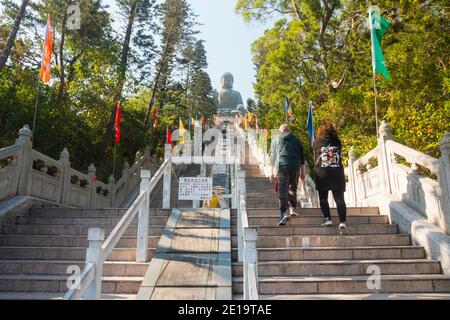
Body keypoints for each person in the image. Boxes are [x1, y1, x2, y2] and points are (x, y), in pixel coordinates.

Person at [313, 121, 347, 231]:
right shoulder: (337, 142)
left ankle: (328, 219)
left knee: (323, 198)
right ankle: (342, 222)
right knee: (339, 199)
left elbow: (314, 156)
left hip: (322, 173)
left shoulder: (316, 142)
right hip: (336, 172)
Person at [271, 124, 306, 226]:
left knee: (283, 188)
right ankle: (293, 208)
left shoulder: (276, 140)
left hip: (282, 166)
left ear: (280, 131)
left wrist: (272, 170)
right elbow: (302, 156)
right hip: (295, 166)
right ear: (289, 131)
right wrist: (303, 172)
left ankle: (283, 213)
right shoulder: (296, 139)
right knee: (292, 187)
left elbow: (272, 156)